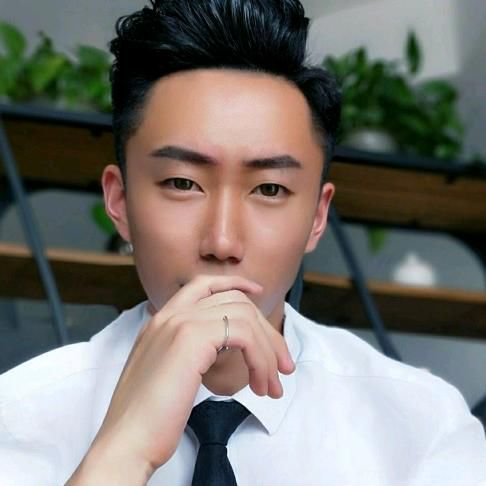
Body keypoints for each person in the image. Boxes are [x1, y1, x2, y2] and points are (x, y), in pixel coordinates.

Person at [1, 0, 485, 484]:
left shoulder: (422, 429)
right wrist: (123, 451)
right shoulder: (19, 415)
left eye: (269, 189)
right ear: (120, 201)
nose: (222, 241)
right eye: (182, 183)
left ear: (317, 217)